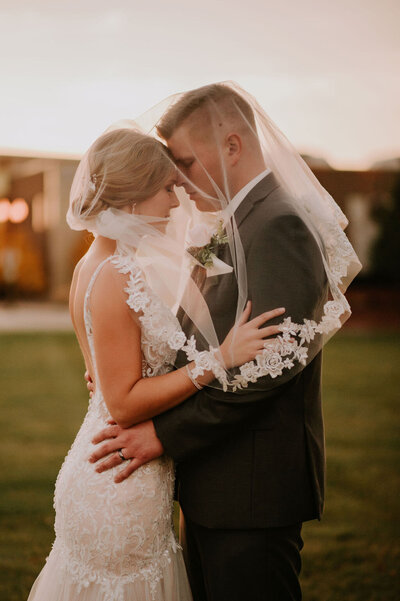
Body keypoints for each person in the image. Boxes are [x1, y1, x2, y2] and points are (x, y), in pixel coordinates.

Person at [89, 83, 361, 601]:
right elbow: (209, 340)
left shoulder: (279, 224)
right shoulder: (239, 221)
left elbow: (272, 365)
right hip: (219, 482)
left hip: (252, 490)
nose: (179, 180)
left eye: (186, 163)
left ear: (232, 146)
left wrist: (163, 434)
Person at [26, 126, 284, 601]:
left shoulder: (92, 263)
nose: (175, 200)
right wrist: (218, 359)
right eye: (167, 188)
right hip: (122, 474)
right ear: (132, 195)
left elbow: (106, 377)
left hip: (107, 462)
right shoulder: (114, 274)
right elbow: (123, 404)